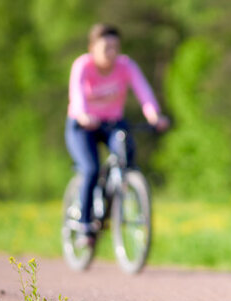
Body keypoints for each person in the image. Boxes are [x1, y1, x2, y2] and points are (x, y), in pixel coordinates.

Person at [65, 23, 169, 246]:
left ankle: (121, 196)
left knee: (127, 157)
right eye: (106, 48)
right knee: (91, 169)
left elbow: (144, 92)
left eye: (116, 47)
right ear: (92, 48)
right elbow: (77, 94)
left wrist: (154, 115)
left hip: (112, 123)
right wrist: (83, 115)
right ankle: (84, 225)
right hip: (83, 125)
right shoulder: (82, 66)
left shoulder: (125, 66)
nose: (112, 53)